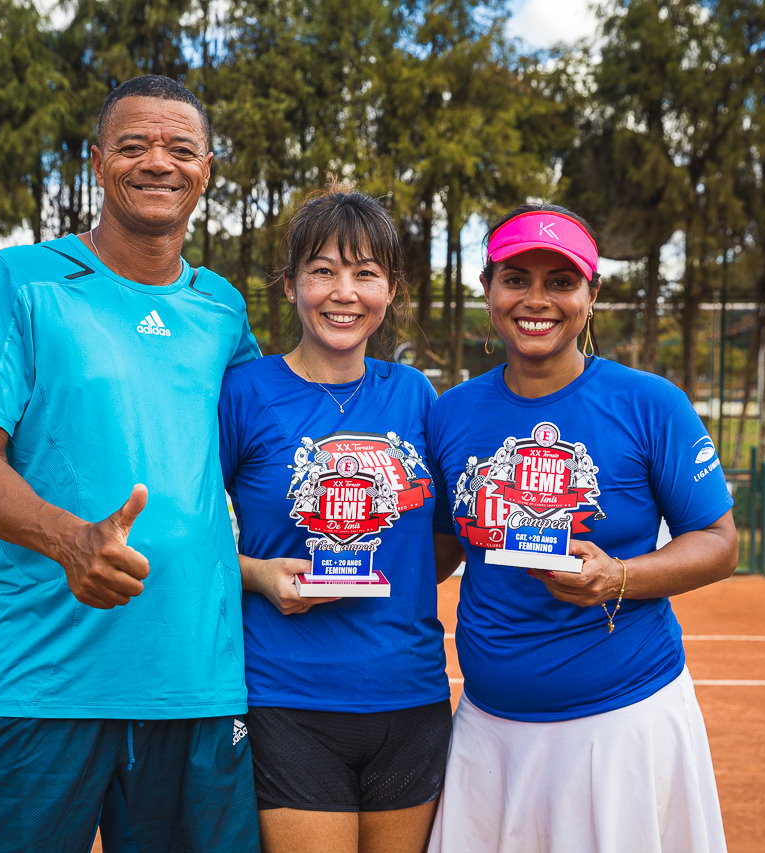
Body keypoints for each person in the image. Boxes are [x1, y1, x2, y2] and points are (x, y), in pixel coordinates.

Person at [0, 75, 261, 853]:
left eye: (181, 149)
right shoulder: (14, 280)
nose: (158, 162)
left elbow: (260, 451)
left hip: (198, 686)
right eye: (134, 145)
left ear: (207, 170)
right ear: (98, 162)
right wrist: (71, 540)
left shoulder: (224, 310)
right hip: (46, 684)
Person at [425, 203, 738, 852]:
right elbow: (440, 550)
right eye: (516, 279)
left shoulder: (650, 403)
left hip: (622, 725)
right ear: (487, 288)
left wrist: (618, 576)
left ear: (591, 295)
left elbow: (719, 543)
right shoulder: (450, 414)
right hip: (488, 729)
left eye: (561, 281)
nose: (536, 300)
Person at [217, 189, 461, 853]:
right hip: (288, 699)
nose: (343, 293)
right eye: (323, 270)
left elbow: (441, 540)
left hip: (410, 696)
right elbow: (189, 528)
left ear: (390, 290)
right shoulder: (245, 392)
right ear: (291, 284)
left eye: (365, 273)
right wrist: (258, 575)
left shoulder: (415, 394)